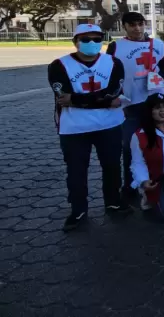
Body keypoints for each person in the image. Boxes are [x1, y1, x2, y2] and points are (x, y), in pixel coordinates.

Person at [48, 24, 130, 231]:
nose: (92, 43)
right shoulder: (59, 65)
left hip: (109, 124)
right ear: (75, 41)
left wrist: (77, 99)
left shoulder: (113, 62)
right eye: (86, 39)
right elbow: (62, 96)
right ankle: (78, 209)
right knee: (76, 171)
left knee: (112, 166)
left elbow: (113, 91)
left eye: (96, 39)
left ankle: (113, 201)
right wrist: (103, 101)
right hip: (74, 128)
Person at [106, 11, 164, 201]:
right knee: (129, 146)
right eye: (132, 24)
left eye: (140, 24)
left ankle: (162, 180)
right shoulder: (116, 46)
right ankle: (130, 184)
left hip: (155, 103)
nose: (137, 28)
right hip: (131, 104)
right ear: (124, 26)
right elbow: (110, 72)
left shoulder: (157, 44)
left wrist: (156, 79)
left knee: (159, 143)